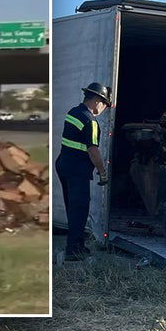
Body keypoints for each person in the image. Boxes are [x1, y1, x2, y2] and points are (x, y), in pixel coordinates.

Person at [54, 82, 112, 261]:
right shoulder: (90, 121)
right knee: (79, 209)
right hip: (77, 170)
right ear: (97, 101)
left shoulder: (73, 112)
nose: (104, 109)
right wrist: (102, 172)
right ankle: (73, 250)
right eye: (105, 105)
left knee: (72, 208)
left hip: (63, 165)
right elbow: (93, 150)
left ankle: (77, 244)